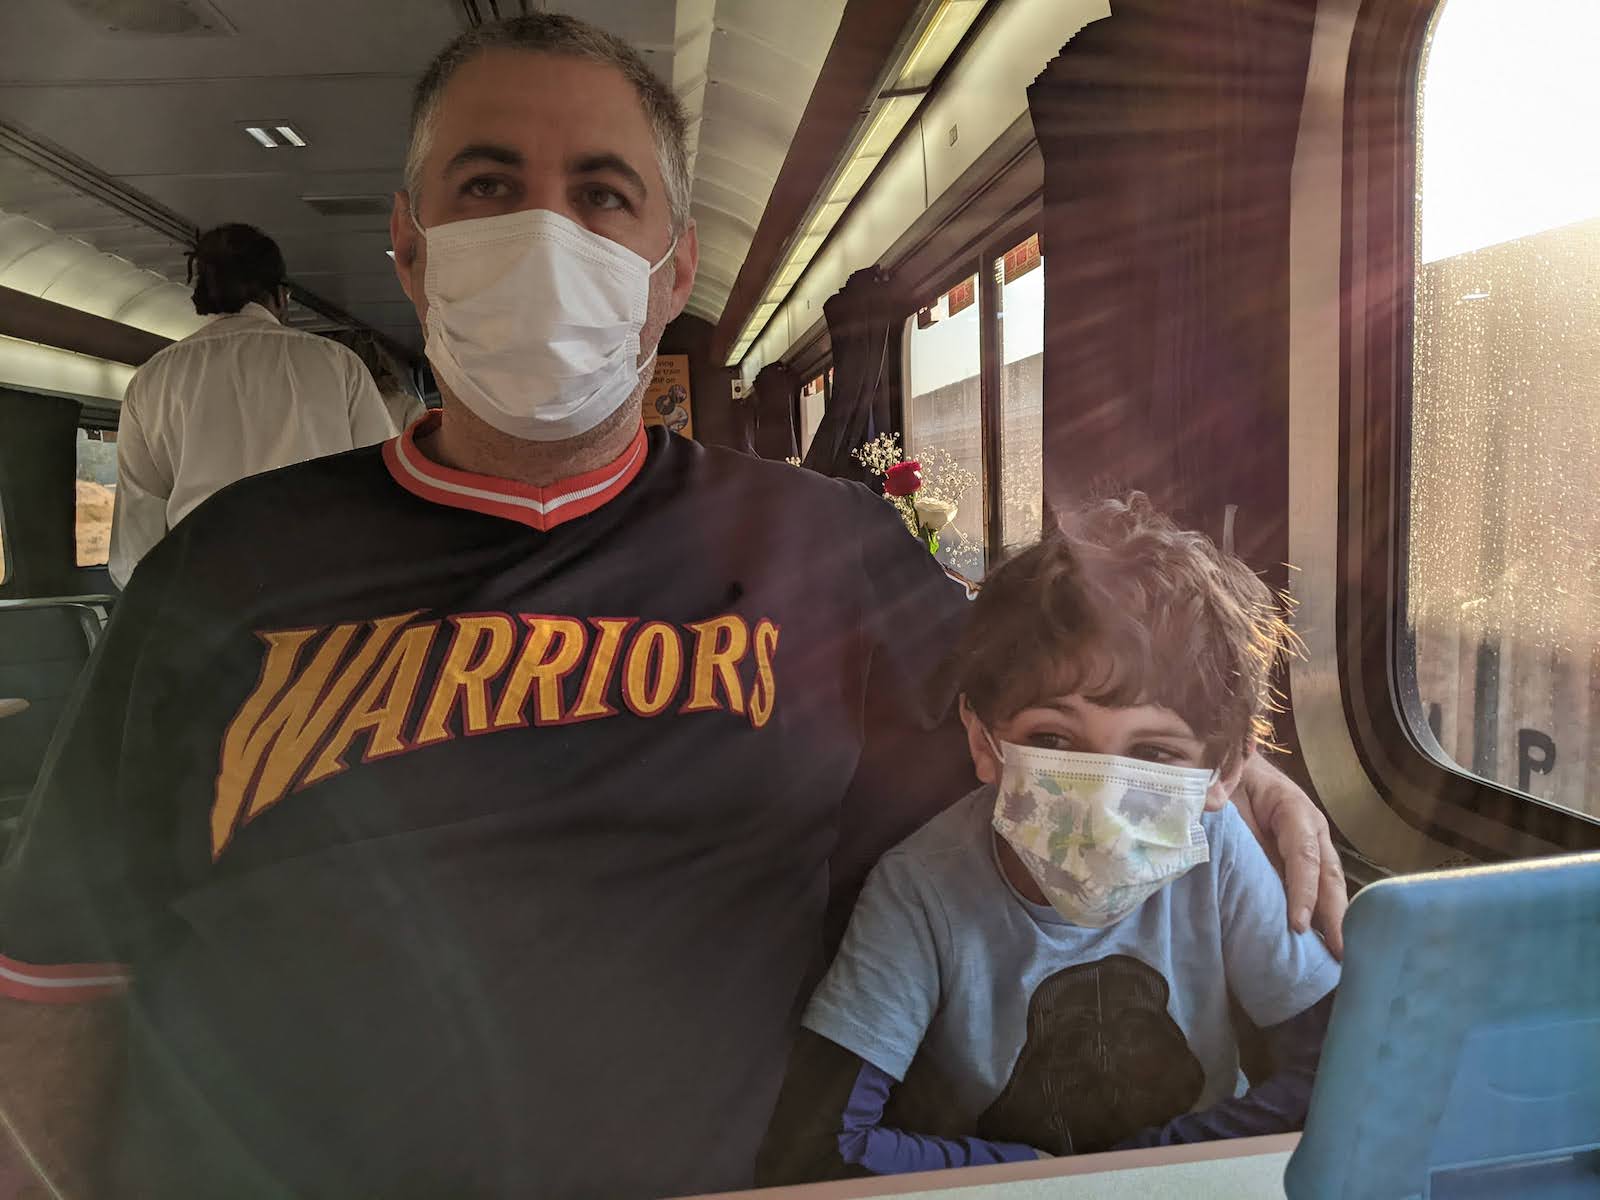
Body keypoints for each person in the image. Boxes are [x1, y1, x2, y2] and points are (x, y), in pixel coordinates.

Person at [0, 15, 1346, 1200]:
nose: (545, 233)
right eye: (487, 187)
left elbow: (1073, 692)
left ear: (670, 269)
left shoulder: (824, 548)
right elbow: (56, 976)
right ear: (410, 250)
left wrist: (1253, 776)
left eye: (602, 195)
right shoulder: (228, 565)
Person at [757, 496, 1341, 1183]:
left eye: (1153, 754)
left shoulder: (1219, 851)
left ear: (1227, 771)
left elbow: (1335, 1068)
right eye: (1053, 741)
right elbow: (822, 1138)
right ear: (984, 742)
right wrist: (1032, 1174)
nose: (1101, 789)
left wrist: (1136, 1170)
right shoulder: (921, 888)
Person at [106, 223, 396, 588]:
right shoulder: (335, 363)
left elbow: (138, 528)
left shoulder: (152, 379)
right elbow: (383, 484)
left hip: (206, 594)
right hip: (318, 587)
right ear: (281, 296)